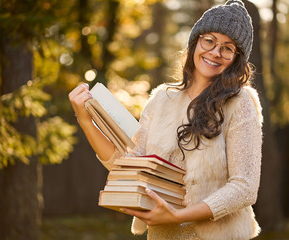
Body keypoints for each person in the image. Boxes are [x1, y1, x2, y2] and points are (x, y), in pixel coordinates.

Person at [69, 0, 263, 239]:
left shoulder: (240, 103)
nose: (215, 52)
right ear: (195, 42)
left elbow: (244, 188)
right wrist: (86, 120)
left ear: (236, 59)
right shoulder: (161, 99)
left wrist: (178, 215)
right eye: (209, 40)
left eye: (227, 47)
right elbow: (128, 165)